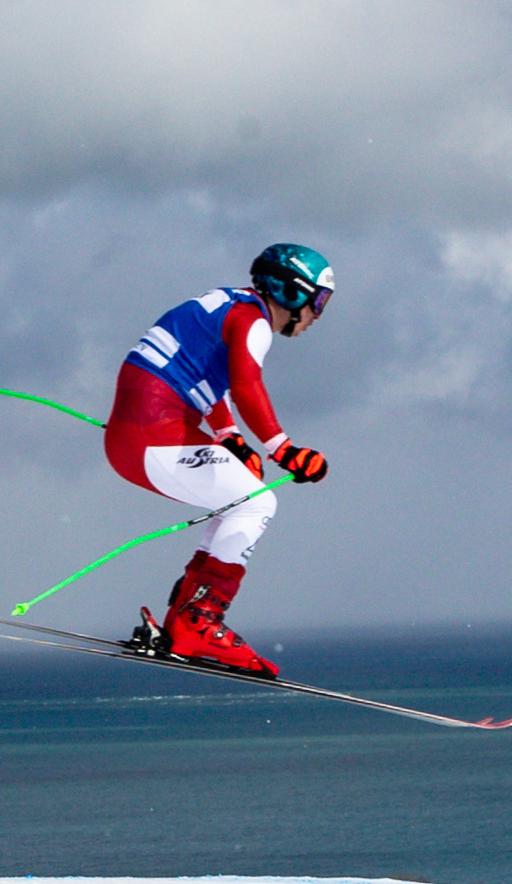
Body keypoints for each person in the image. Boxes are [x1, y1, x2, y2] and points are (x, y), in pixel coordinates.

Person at [101, 243, 338, 676]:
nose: (318, 315)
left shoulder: (231, 304)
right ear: (291, 292)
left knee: (238, 500)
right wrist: (283, 449)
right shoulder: (254, 322)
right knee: (259, 502)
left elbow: (205, 376)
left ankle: (186, 620)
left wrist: (228, 434)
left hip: (137, 435)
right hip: (153, 437)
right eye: (318, 301)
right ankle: (199, 620)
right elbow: (247, 386)